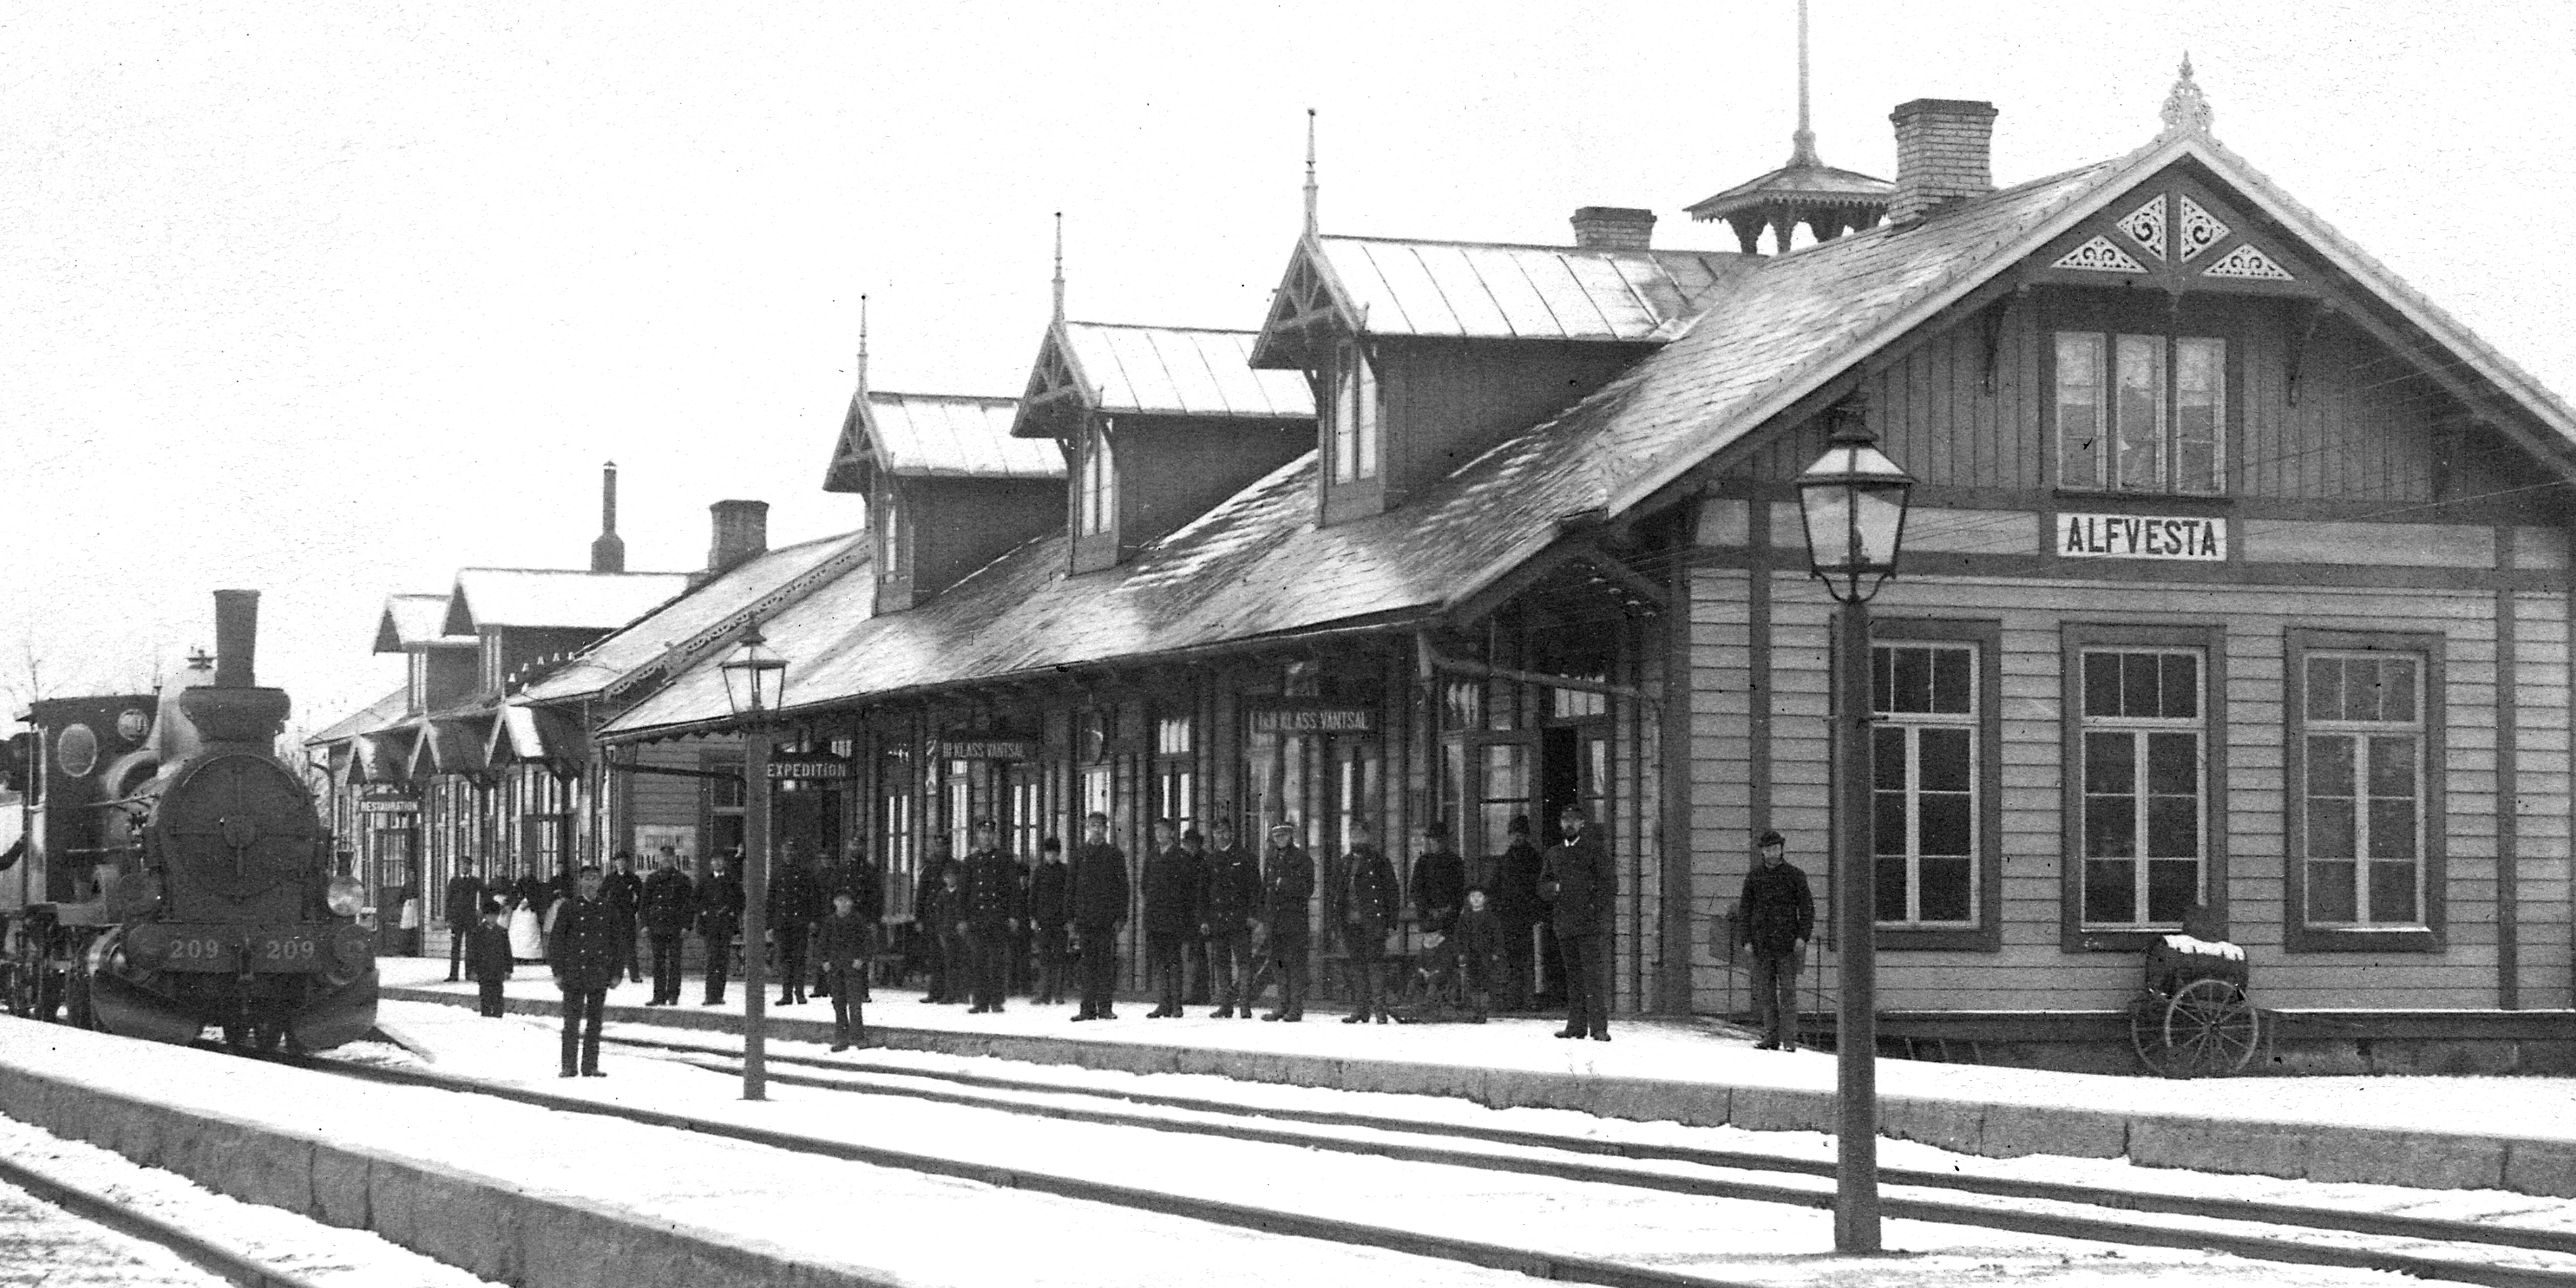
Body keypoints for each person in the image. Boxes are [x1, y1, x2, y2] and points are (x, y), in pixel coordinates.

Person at [1540, 803, 1615, 1041]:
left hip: (1589, 924)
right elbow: (1543, 885)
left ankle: (1599, 1028)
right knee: (1572, 976)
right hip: (1565, 923)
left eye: (1574, 820)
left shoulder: (1594, 851)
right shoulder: (1554, 854)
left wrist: (1595, 908)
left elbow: (1609, 885)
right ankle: (1575, 1026)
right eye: (1565, 820)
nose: (1569, 824)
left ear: (1582, 823)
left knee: (1592, 976)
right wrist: (1554, 888)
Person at [1736, 829, 1815, 1051]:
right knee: (1766, 992)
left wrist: (1802, 937)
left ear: (1782, 849)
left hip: (1787, 944)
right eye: (1768, 849)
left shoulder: (1795, 876)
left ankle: (1789, 1040)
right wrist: (1746, 940)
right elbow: (1745, 911)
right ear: (1762, 852)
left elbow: (1807, 909)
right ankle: (1771, 1037)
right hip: (1762, 945)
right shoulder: (1754, 877)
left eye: (1776, 848)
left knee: (1788, 991)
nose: (1772, 853)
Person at [547, 864, 625, 1077]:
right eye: (588, 879)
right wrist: (557, 971)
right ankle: (568, 1066)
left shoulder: (608, 909)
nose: (592, 883)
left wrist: (617, 972)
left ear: (601, 883)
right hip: (574, 973)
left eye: (596, 879)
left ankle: (590, 1066)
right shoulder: (569, 908)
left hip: (599, 973)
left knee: (595, 1023)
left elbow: (618, 943)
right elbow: (556, 942)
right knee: (571, 1023)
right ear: (581, 882)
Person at [1337, 819, 1401, 1025]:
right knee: (1357, 966)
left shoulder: (1380, 862)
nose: (1356, 839)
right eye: (1353, 835)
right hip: (1350, 922)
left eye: (1360, 835)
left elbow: (1392, 893)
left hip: (1373, 922)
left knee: (1374, 965)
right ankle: (1361, 1009)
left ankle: (1380, 1011)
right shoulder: (1345, 863)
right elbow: (1337, 895)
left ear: (1368, 837)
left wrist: (1391, 923)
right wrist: (1336, 923)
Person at [1069, 812, 1129, 1022]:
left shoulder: (1114, 855)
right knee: (1086, 965)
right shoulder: (1079, 854)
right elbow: (1071, 887)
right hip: (1085, 919)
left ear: (1106, 829)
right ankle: (1087, 1009)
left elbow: (1123, 888)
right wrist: (1070, 918)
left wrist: (1121, 918)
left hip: (1106, 920)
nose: (1096, 829)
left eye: (1100, 826)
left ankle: (1105, 1008)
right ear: (1087, 828)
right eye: (1092, 825)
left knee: (1105, 965)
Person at [960, 820, 1023, 1013]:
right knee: (978, 961)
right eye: (982, 832)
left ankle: (996, 1000)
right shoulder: (970, 862)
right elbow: (963, 892)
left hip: (998, 918)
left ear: (994, 836)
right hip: (977, 918)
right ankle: (980, 1001)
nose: (986, 836)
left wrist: (1013, 916)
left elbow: (1014, 890)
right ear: (977, 835)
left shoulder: (1004, 859)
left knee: (997, 961)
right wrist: (962, 919)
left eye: (989, 833)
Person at [1198, 820, 1259, 1018]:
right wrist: (1204, 919)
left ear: (1232, 833)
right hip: (1217, 918)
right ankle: (1225, 1004)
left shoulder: (1245, 857)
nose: (1221, 836)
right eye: (1217, 832)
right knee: (1221, 962)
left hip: (1239, 919)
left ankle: (1244, 1004)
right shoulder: (1209, 860)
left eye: (1224, 832)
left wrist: (1253, 915)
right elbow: (1203, 892)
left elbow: (1255, 889)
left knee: (1243, 962)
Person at [1140, 819, 1200, 1018]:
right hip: (1155, 918)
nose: (1159, 834)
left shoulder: (1182, 857)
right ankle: (1162, 1003)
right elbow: (1144, 886)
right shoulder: (1151, 857)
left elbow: (1189, 890)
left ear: (1172, 833)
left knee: (1174, 961)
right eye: (1157, 830)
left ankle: (1176, 1005)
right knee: (1159, 962)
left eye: (1163, 830)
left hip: (1174, 918)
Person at [1257, 820, 1313, 1022]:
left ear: (1291, 837)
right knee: (1278, 964)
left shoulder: (1302, 858)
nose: (1279, 840)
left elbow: (1308, 888)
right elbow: (1266, 890)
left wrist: (1285, 884)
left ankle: (1296, 1007)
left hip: (1294, 920)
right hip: (1275, 921)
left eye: (1283, 836)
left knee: (1296, 965)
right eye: (1276, 836)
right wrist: (1264, 917)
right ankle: (1282, 1005)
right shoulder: (1271, 859)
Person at [1494, 815, 1546, 1011]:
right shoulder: (1504, 861)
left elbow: (1541, 888)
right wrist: (1500, 910)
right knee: (1511, 960)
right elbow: (1495, 888)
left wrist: (1537, 911)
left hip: (1529, 917)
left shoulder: (1535, 860)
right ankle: (1513, 998)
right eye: (1514, 834)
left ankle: (1533, 997)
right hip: (1509, 918)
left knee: (1532, 960)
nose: (1517, 838)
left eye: (1521, 834)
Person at [815, 889, 873, 1050]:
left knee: (855, 1003)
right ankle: (842, 1037)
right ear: (835, 903)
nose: (843, 904)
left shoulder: (858, 921)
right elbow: (822, 944)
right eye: (840, 901)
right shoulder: (830, 922)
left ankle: (858, 1036)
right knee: (839, 1003)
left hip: (852, 967)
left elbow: (868, 942)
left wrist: (862, 960)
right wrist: (824, 961)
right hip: (835, 968)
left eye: (847, 901)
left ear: (852, 903)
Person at [769, 843, 823, 1006]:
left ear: (796, 853)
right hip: (783, 923)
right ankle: (786, 994)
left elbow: (814, 898)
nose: (789, 854)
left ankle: (799, 993)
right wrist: (769, 925)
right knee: (785, 959)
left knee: (799, 958)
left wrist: (813, 920)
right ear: (782, 853)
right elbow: (771, 900)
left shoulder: (805, 873)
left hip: (800, 922)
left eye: (792, 851)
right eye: (786, 851)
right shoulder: (777, 872)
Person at [639, 847, 694, 1006]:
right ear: (659, 859)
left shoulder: (682, 880)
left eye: (669, 858)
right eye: (663, 858)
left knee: (675, 963)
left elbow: (689, 905)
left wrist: (686, 926)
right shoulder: (652, 879)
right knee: (658, 963)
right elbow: (644, 904)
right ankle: (659, 995)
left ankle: (673, 995)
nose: (666, 860)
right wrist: (644, 924)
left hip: (675, 926)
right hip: (657, 925)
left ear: (674, 859)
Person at [695, 851, 745, 1005]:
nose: (717, 863)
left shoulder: (731, 881)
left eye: (720, 860)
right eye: (714, 860)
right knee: (711, 960)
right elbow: (695, 900)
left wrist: (731, 912)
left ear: (724, 863)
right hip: (710, 926)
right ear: (711, 863)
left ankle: (719, 995)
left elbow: (741, 901)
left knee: (723, 960)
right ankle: (710, 995)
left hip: (725, 926)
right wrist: (703, 911)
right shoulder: (705, 881)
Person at [1027, 837, 1071, 1004]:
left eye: (1054, 853)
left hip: (1061, 920)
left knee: (1060, 956)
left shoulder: (1065, 871)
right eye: (1048, 853)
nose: (1051, 856)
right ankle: (1044, 993)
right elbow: (1033, 896)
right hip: (1043, 920)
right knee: (1044, 957)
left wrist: (1069, 919)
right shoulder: (1039, 871)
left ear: (1059, 853)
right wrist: (1033, 917)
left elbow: (1069, 895)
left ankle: (1059, 993)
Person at [1411, 820, 1466, 939]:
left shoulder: (1456, 862)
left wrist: (1450, 908)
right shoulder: (1423, 862)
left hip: (1450, 919)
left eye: (1439, 840)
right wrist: (1430, 910)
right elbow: (1416, 891)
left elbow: (1461, 890)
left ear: (1446, 840)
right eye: (1433, 840)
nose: (1436, 843)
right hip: (1429, 919)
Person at [1455, 886, 1502, 1024]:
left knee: (1485, 984)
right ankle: (1475, 1010)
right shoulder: (1464, 917)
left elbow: (1497, 936)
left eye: (1479, 896)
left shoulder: (1490, 917)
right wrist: (1461, 952)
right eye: (1473, 897)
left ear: (1485, 899)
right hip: (1470, 954)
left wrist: (1496, 952)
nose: (1476, 899)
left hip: (1485, 954)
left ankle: (1483, 1011)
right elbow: (1459, 936)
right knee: (1472, 983)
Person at [924, 864, 966, 1004]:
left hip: (959, 933)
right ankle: (948, 993)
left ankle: (961, 994)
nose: (950, 880)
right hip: (946, 932)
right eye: (947, 877)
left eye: (953, 877)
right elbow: (938, 914)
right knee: (948, 964)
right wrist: (940, 932)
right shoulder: (942, 894)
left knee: (961, 963)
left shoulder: (961, 893)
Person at [466, 898, 514, 1018]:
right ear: (485, 916)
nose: (492, 918)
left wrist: (509, 969)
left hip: (498, 969)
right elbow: (472, 952)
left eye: (495, 916)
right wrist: (471, 970)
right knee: (485, 994)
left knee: (498, 993)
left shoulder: (502, 932)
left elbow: (507, 952)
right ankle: (486, 1014)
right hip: (483, 969)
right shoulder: (477, 932)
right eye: (489, 915)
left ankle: (498, 1014)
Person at [604, 851, 644, 985]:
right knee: (612, 946)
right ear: (615, 863)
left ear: (626, 863)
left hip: (627, 915)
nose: (620, 864)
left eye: (623, 861)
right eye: (618, 861)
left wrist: (634, 908)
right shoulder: (610, 878)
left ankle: (635, 975)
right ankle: (613, 975)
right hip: (613, 916)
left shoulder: (633, 879)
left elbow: (642, 897)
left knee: (630, 946)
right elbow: (601, 894)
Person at [443, 860, 486, 982]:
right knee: (455, 946)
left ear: (471, 867)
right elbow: (448, 900)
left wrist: (481, 910)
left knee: (471, 946)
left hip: (470, 918)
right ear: (459, 867)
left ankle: (470, 973)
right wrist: (448, 918)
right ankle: (453, 975)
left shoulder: (475, 881)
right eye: (462, 865)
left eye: (467, 865)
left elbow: (485, 895)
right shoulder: (454, 881)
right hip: (457, 918)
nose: (464, 867)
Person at [506, 885, 545, 963]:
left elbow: (536, 899)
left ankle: (531, 955)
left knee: (529, 932)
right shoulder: (519, 885)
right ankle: (517, 954)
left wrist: (529, 903)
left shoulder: (534, 885)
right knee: (518, 933)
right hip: (518, 915)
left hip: (530, 914)